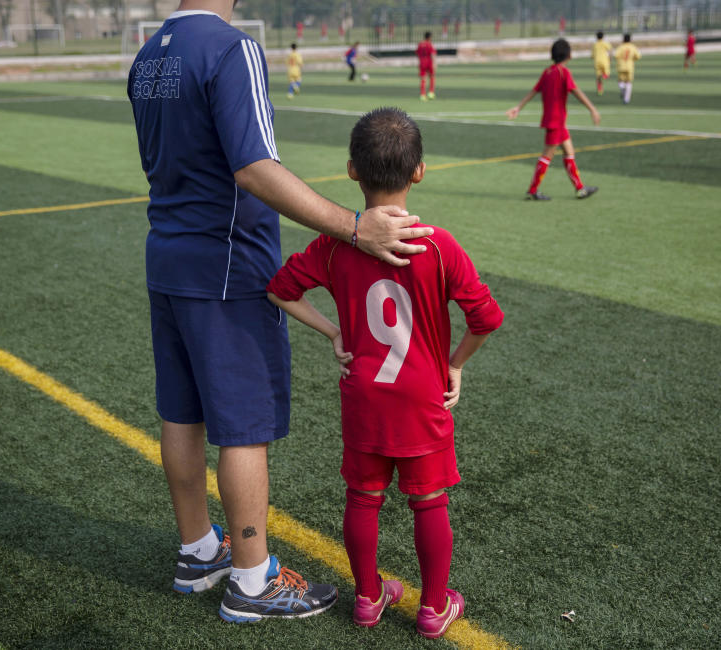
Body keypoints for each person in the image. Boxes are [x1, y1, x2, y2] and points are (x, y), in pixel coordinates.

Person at [128, 0, 434, 624]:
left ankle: (198, 551)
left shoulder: (146, 55)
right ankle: (250, 578)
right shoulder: (230, 47)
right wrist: (354, 226)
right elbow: (253, 167)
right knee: (242, 425)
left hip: (168, 258)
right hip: (226, 265)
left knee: (181, 412)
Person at [266, 107, 504, 639]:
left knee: (362, 499)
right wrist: (454, 363)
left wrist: (333, 333)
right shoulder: (439, 245)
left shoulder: (334, 244)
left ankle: (369, 600)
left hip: (364, 398)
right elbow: (487, 317)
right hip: (422, 396)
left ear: (352, 170)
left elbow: (280, 290)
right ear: (419, 171)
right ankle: (433, 607)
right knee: (429, 501)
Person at [506, 38, 600, 201]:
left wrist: (519, 107)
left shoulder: (547, 72)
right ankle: (532, 190)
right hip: (556, 122)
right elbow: (575, 91)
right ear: (568, 55)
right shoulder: (564, 73)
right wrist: (592, 108)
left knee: (569, 152)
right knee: (547, 155)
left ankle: (580, 188)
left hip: (557, 122)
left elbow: (534, 91)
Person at [614, 33, 641, 105]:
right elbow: (638, 56)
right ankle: (626, 99)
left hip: (621, 66)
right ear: (630, 39)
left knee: (621, 82)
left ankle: (623, 90)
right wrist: (632, 59)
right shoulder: (633, 47)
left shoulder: (620, 47)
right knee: (628, 82)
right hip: (630, 67)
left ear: (623, 39)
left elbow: (616, 55)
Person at [591, 31, 612, 95]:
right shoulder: (605, 43)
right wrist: (610, 59)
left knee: (598, 77)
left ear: (596, 37)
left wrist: (593, 57)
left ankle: (600, 90)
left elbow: (592, 55)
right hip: (604, 61)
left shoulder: (595, 44)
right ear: (603, 36)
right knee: (607, 74)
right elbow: (610, 51)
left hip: (597, 61)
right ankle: (603, 76)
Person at [417, 31, 436, 100]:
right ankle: (431, 93)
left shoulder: (420, 44)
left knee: (423, 79)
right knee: (431, 77)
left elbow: (418, 53)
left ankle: (422, 95)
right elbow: (433, 54)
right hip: (429, 62)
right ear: (430, 37)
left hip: (422, 62)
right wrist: (434, 64)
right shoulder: (429, 44)